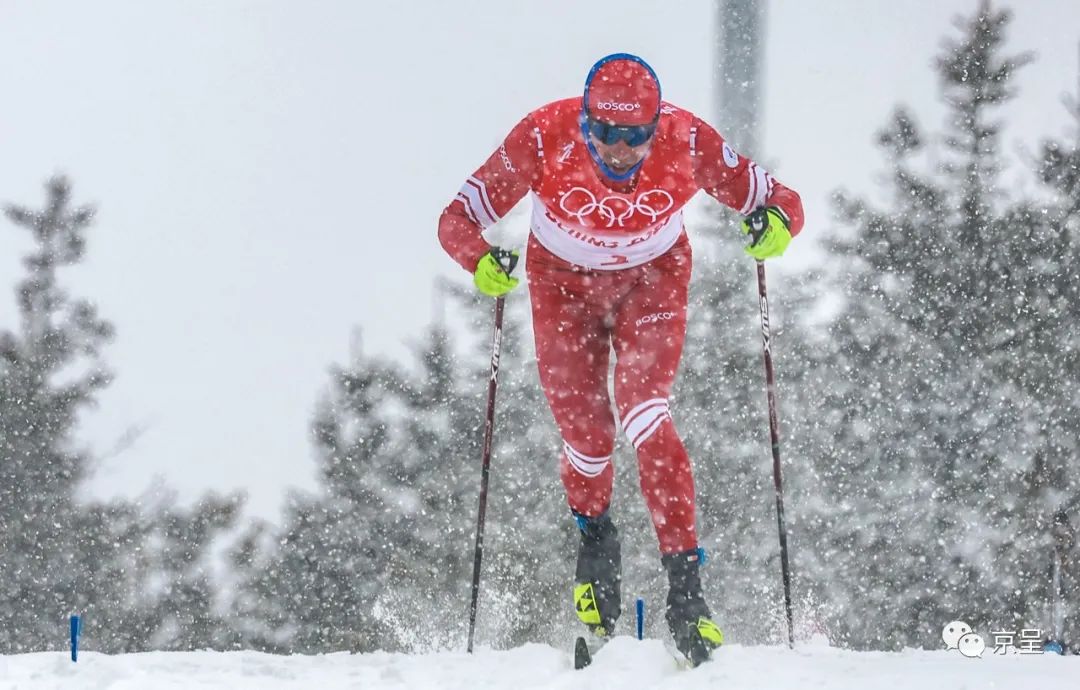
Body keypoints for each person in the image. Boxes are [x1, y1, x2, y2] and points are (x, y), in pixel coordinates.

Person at [437, 52, 804, 665]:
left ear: (655, 125)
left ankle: (686, 592)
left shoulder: (688, 141)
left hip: (652, 284)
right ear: (583, 121)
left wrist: (777, 225)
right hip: (561, 288)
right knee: (588, 438)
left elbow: (781, 200)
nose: (618, 148)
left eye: (634, 134)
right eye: (603, 132)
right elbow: (458, 218)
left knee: (645, 412)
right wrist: (479, 258)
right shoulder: (541, 134)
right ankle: (595, 542)